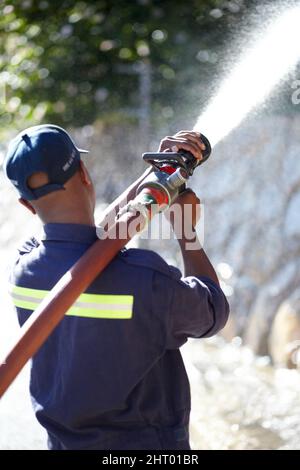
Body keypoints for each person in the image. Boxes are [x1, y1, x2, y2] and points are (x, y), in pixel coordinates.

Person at [4, 124, 229, 450]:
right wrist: (186, 231)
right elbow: (213, 310)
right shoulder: (145, 280)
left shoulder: (24, 272)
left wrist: (159, 175)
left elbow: (94, 240)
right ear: (84, 173)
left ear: (26, 204)